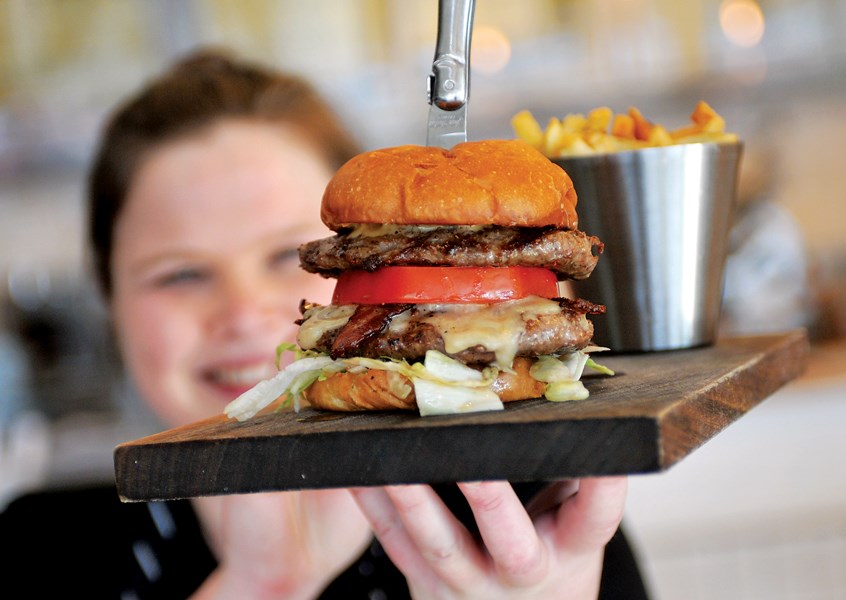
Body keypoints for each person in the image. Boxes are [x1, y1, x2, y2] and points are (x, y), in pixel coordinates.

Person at [0, 49, 648, 599]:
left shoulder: (529, 523)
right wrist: (262, 587)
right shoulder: (40, 549)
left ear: (377, 252)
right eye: (180, 275)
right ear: (110, 300)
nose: (244, 312)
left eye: (287, 256)